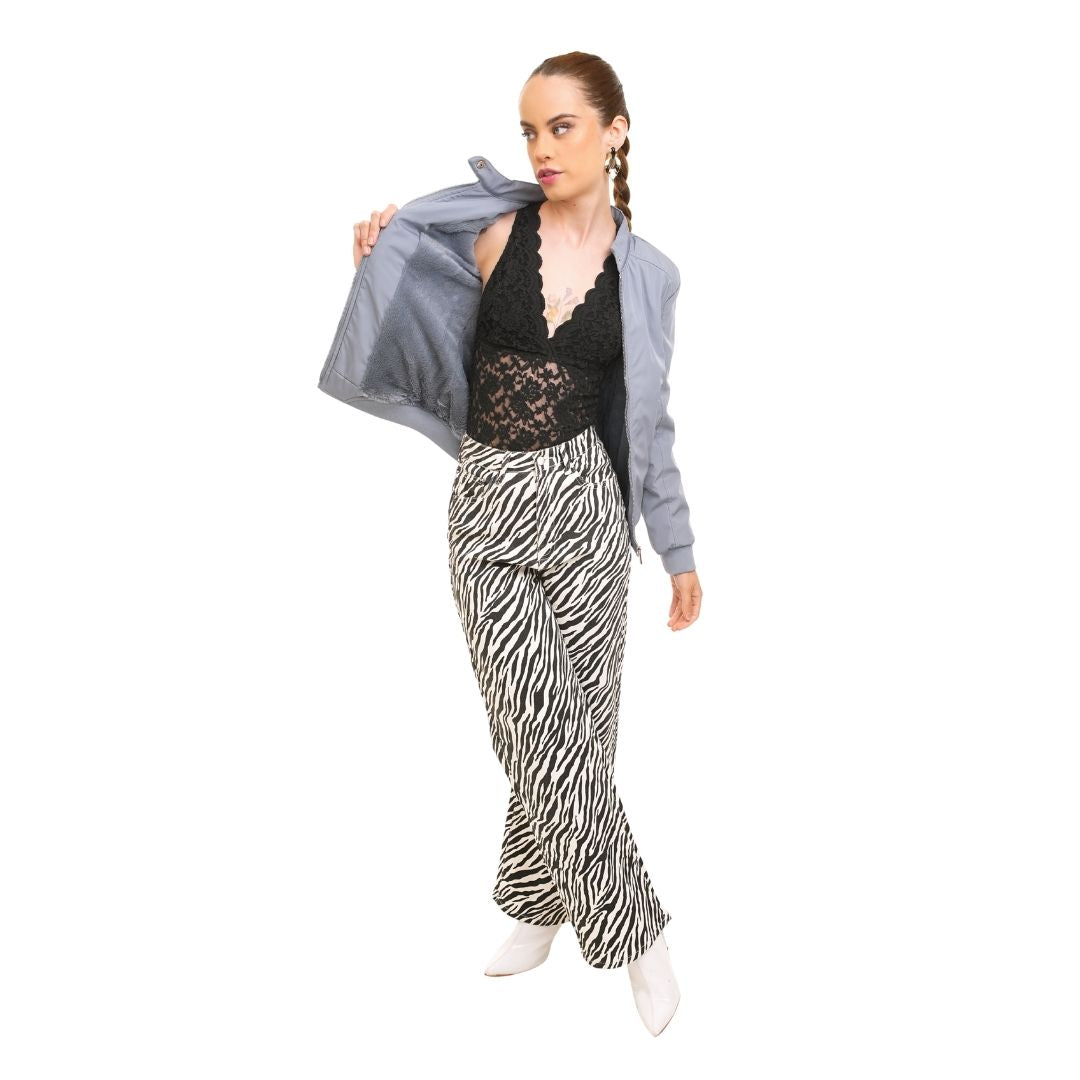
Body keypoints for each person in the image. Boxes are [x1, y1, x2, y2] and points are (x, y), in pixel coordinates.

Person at [339, 52, 702, 1037]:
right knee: (532, 720)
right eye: (530, 130)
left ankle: (538, 906)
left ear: (615, 131)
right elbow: (411, 314)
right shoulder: (494, 230)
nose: (542, 148)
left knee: (579, 728)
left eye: (563, 126)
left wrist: (677, 550)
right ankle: (638, 934)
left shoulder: (650, 275)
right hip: (489, 502)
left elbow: (651, 420)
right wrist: (380, 258)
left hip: (586, 506)